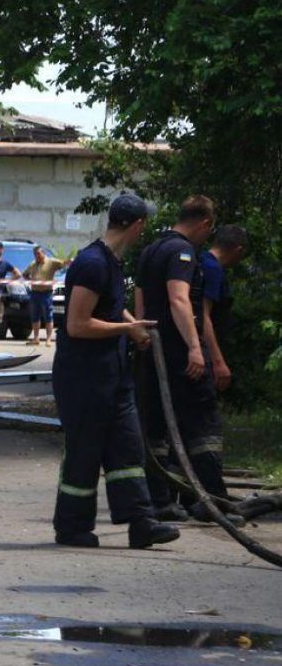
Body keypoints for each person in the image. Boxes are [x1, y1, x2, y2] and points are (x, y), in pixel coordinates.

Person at [53, 194, 179, 549]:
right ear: (136, 225)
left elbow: (110, 309)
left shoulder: (111, 262)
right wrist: (126, 330)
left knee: (127, 449)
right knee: (85, 452)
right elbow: (77, 325)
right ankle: (72, 527)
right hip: (84, 379)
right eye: (145, 226)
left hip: (113, 376)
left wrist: (132, 325)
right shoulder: (92, 264)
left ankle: (142, 523)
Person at [135, 195, 233, 522]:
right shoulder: (182, 251)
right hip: (179, 354)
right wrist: (194, 347)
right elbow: (179, 300)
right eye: (210, 229)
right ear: (204, 223)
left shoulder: (150, 249)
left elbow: (140, 301)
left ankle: (161, 502)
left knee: (158, 430)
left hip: (154, 350)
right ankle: (213, 501)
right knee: (203, 425)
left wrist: (143, 337)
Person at [200, 224, 249, 392]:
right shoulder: (212, 269)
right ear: (238, 250)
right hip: (203, 351)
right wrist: (218, 361)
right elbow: (203, 314)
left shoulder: (200, 260)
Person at [24, 245, 67, 346]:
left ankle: (48, 339)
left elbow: (64, 264)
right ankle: (36, 338)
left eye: (38, 254)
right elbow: (25, 274)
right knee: (35, 316)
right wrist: (29, 280)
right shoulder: (33, 264)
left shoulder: (51, 262)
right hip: (34, 293)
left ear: (43, 253)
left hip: (46, 293)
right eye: (35, 254)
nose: (37, 256)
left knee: (48, 316)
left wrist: (69, 262)